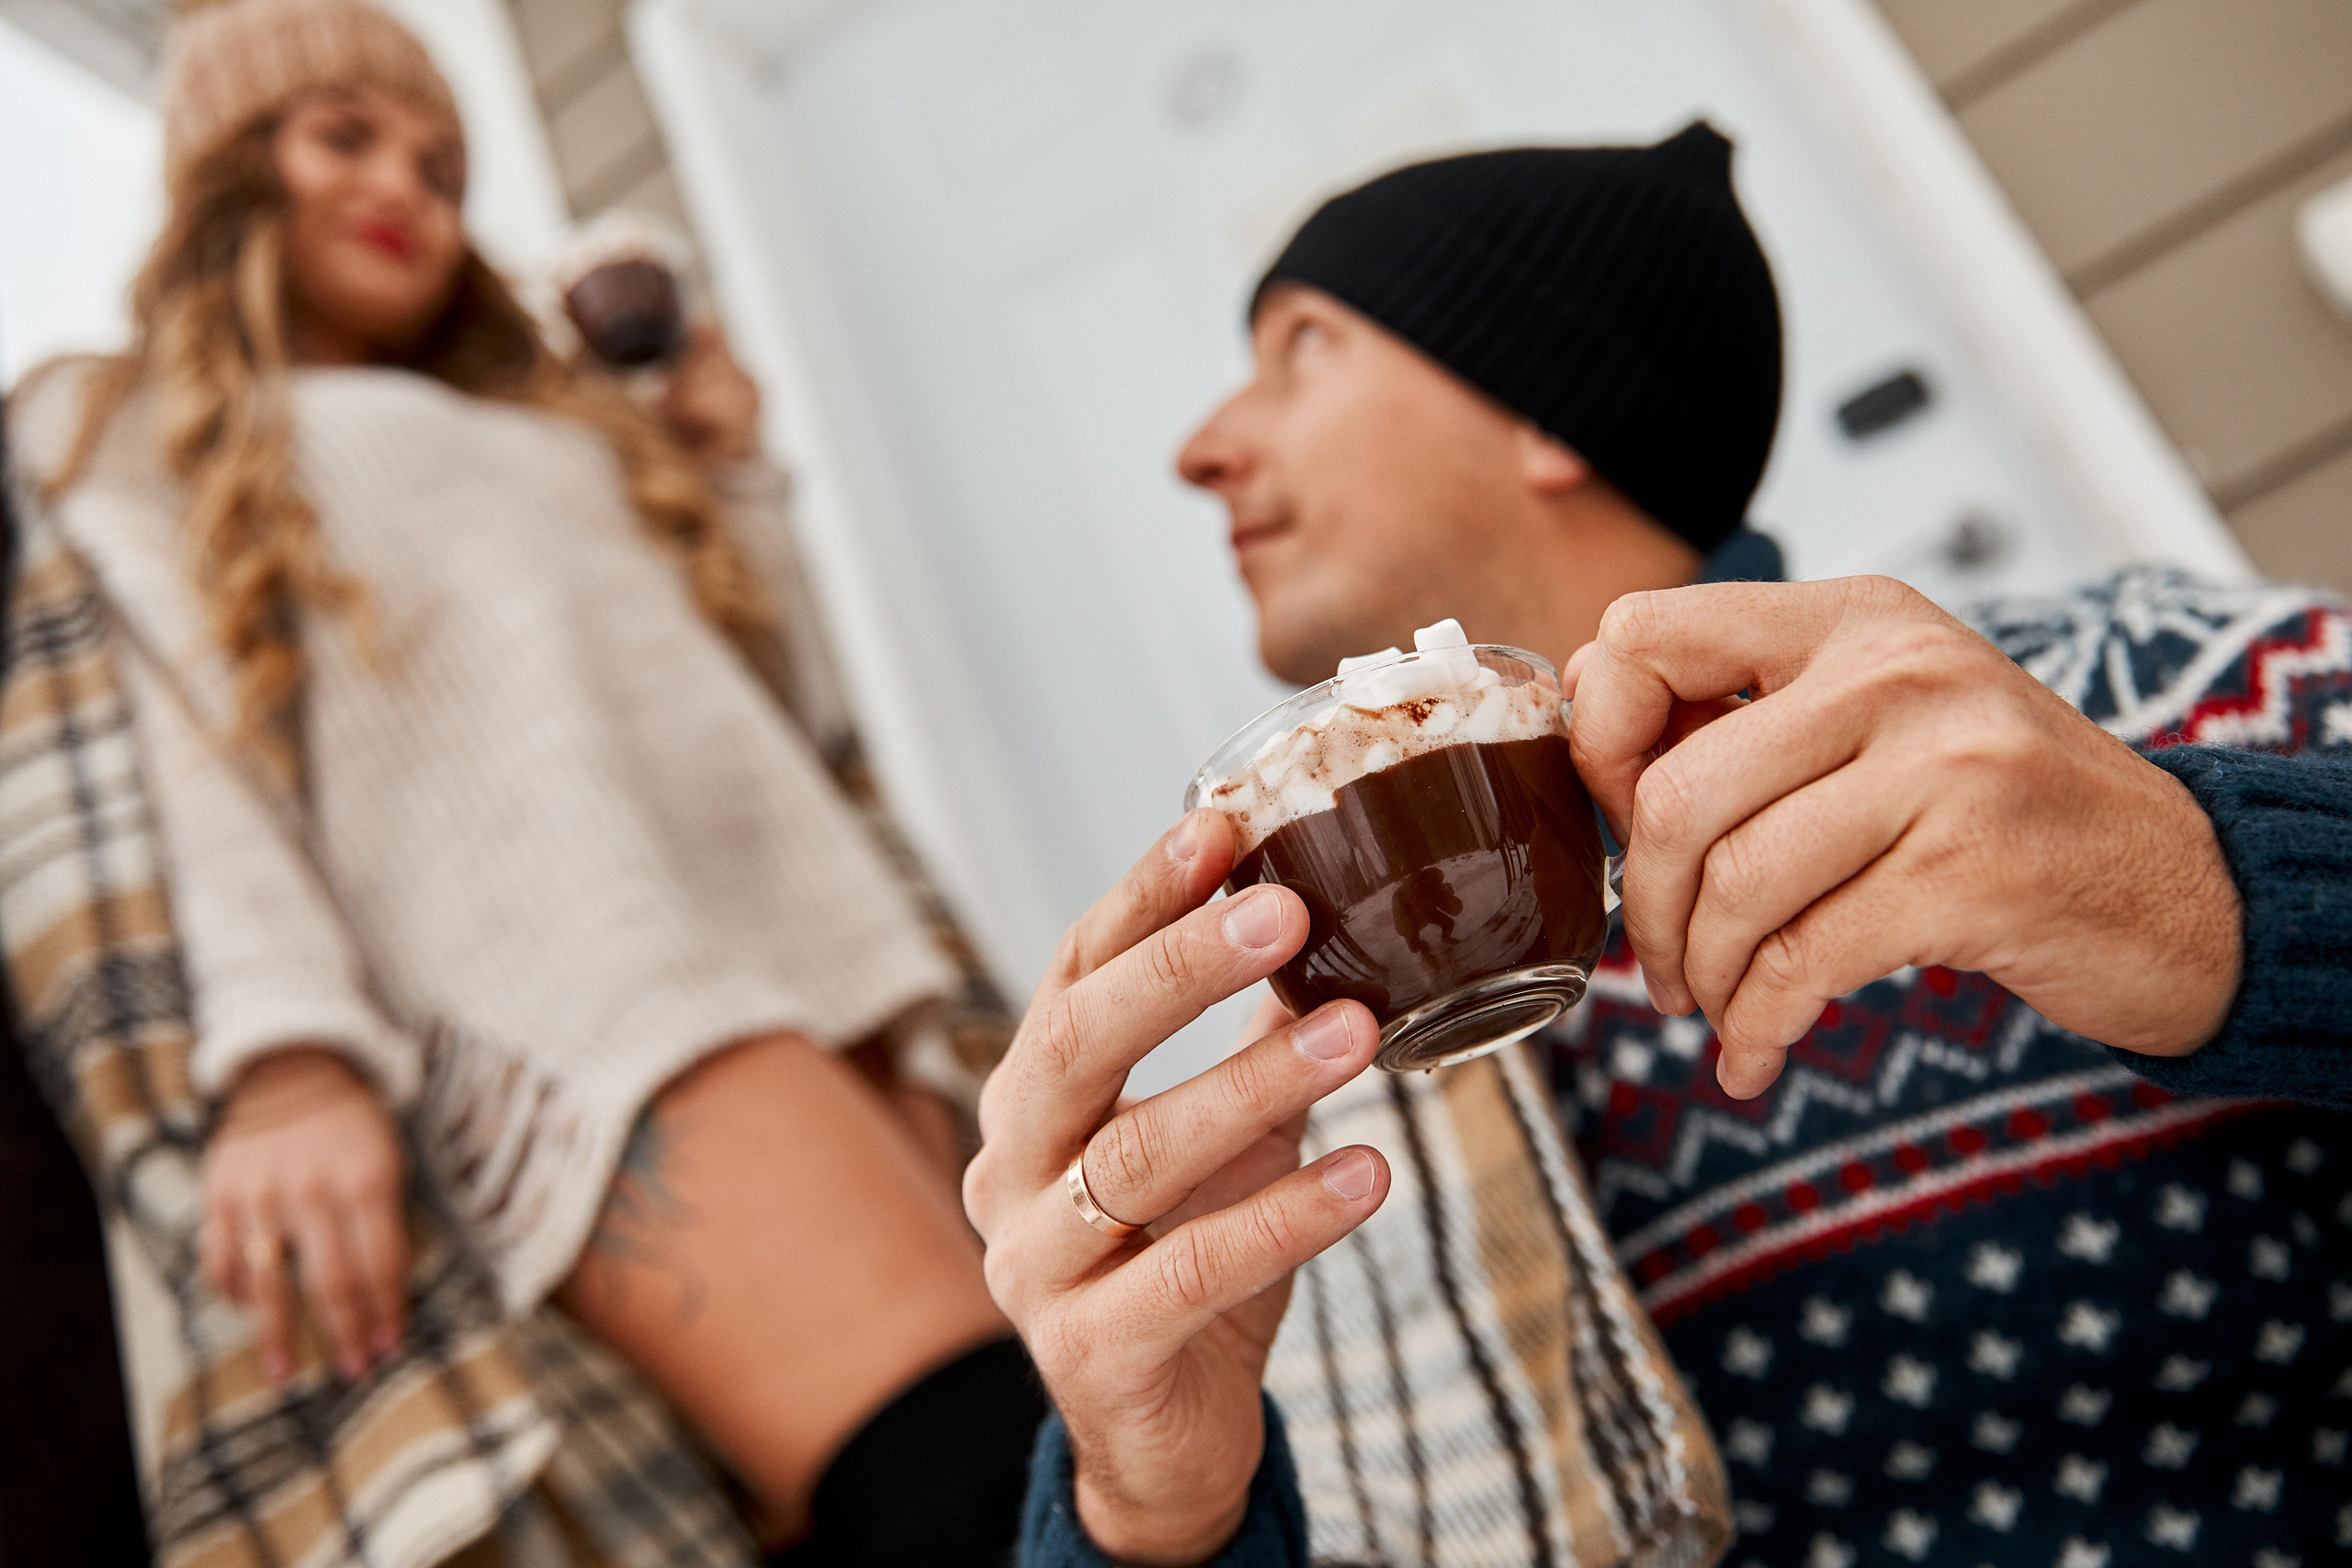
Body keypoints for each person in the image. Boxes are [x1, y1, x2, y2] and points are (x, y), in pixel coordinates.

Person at [976, 126, 2352, 1565]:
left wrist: (2209, 890)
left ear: (1548, 413)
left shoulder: (2157, 705)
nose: (1201, 450)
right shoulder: (1284, 1083)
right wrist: (1148, 1518)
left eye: (1303, 346)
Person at [4, 2, 1044, 1563]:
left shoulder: (549, 417)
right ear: (228, 173)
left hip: (841, 987)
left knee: (1072, 1450)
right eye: (344, 136)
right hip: (594, 1007)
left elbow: (778, 719)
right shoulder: (136, 432)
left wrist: (731, 476)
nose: (407, 185)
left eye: (438, 156)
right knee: (987, 1478)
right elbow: (182, 770)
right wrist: (290, 1058)